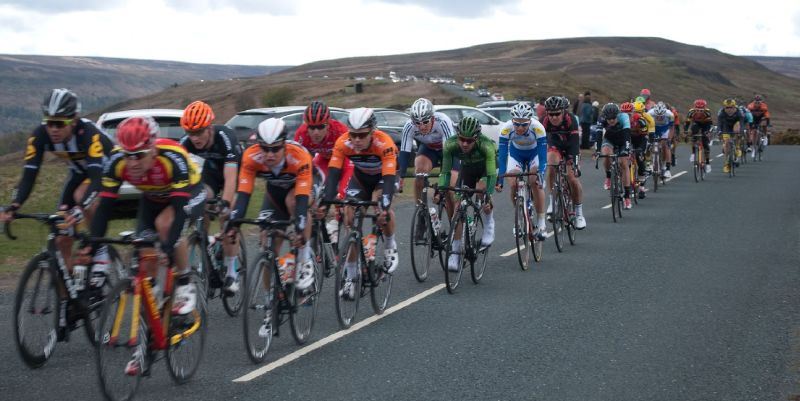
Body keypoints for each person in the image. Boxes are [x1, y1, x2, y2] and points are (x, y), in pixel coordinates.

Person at [90, 116, 205, 321]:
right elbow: (104, 207)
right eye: (128, 155)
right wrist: (92, 243)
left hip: (189, 194)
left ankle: (186, 283)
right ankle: (156, 310)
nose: (132, 162)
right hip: (152, 198)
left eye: (139, 155)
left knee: (165, 224)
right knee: (145, 251)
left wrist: (169, 246)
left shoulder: (172, 157)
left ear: (153, 149)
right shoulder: (117, 161)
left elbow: (179, 211)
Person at [1, 88, 114, 288]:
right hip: (78, 174)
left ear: (74, 119)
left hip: (106, 173)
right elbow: (29, 175)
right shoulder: (39, 135)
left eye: (59, 123)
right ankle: (73, 290)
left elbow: (96, 178)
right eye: (49, 122)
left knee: (81, 196)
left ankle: (101, 250)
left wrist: (80, 210)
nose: (53, 129)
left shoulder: (88, 134)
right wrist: (14, 205)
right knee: (61, 235)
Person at [228, 118, 316, 297]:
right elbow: (244, 194)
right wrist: (234, 223)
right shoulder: (251, 156)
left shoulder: (298, 156)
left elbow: (301, 198)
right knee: (266, 242)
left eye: (275, 148)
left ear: (284, 144)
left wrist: (299, 228)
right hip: (274, 193)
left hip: (300, 190)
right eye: (265, 148)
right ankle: (270, 304)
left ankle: (305, 259)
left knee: (293, 204)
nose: (269, 154)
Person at [322, 108, 399, 299]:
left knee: (380, 204)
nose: (356, 140)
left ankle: (390, 245)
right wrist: (326, 201)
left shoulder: (384, 143)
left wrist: (385, 206)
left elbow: (389, 180)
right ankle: (351, 276)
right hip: (361, 178)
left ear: (372, 131)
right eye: (353, 134)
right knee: (350, 218)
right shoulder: (343, 143)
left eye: (362, 135)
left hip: (384, 178)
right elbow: (332, 175)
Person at [179, 100, 242, 293]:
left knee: (228, 215)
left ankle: (232, 271)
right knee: (201, 202)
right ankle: (203, 238)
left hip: (234, 173)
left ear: (209, 128)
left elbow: (231, 179)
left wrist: (225, 204)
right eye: (190, 133)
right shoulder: (186, 144)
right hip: (210, 175)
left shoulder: (225, 137)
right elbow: (185, 181)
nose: (195, 138)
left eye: (199, 132)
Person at [436, 116, 497, 271]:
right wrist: (442, 189)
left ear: (476, 138)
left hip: (484, 170)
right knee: (457, 207)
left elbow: (491, 174)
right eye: (462, 139)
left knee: (482, 192)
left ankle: (489, 223)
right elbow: (445, 171)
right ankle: (455, 252)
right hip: (467, 170)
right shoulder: (450, 144)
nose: (464, 143)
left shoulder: (486, 145)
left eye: (469, 141)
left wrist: (488, 193)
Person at [293, 101, 353, 250]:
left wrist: (337, 194)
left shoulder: (340, 131)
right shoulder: (301, 135)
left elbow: (352, 158)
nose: (316, 132)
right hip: (323, 161)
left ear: (328, 124)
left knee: (344, 199)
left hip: (345, 162)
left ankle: (351, 240)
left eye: (320, 127)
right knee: (310, 196)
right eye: (312, 127)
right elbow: (299, 166)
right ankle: (316, 233)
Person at [397, 98, 457, 238]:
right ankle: (422, 216)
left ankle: (454, 224)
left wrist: (443, 180)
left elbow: (448, 154)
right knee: (419, 176)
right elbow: (404, 153)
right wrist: (400, 177)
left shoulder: (443, 121)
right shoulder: (409, 127)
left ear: (432, 117)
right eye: (417, 123)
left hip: (448, 150)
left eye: (425, 121)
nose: (421, 126)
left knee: (448, 188)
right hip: (429, 149)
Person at [495, 102, 548, 238]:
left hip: (534, 154)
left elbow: (543, 158)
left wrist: (541, 174)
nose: (519, 127)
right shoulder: (506, 129)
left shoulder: (538, 128)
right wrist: (500, 179)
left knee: (534, 182)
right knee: (512, 183)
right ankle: (519, 215)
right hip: (516, 154)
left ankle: (542, 224)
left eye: (524, 124)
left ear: (530, 122)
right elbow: (502, 157)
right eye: (516, 124)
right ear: (512, 121)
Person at [542, 96, 586, 229]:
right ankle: (553, 201)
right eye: (551, 114)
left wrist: (574, 163)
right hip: (555, 146)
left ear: (563, 112)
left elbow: (574, 144)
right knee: (551, 163)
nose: (554, 117)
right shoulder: (543, 122)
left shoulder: (570, 120)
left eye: (557, 114)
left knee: (572, 179)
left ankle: (579, 214)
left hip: (570, 147)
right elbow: (540, 142)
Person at [596, 103, 633, 209]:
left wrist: (626, 149)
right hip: (610, 139)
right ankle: (608, 176)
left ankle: (627, 197)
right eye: (609, 118)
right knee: (606, 154)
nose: (611, 120)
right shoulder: (601, 118)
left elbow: (627, 135)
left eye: (613, 118)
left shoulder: (624, 117)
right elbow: (598, 136)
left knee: (623, 163)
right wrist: (598, 150)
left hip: (622, 140)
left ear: (618, 114)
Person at [631, 101, 655, 197]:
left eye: (639, 112)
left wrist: (650, 142)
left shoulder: (646, 118)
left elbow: (648, 134)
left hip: (642, 137)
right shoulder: (628, 118)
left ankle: (641, 187)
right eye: (634, 111)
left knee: (640, 157)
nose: (637, 114)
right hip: (631, 138)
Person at [684, 99, 713, 174]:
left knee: (705, 143)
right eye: (697, 109)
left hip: (705, 124)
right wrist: (686, 132)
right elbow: (687, 123)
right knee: (693, 134)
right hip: (696, 123)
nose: (699, 111)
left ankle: (707, 163)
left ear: (704, 108)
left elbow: (710, 124)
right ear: (694, 108)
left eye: (701, 110)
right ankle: (693, 153)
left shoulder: (707, 112)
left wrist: (708, 132)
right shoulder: (691, 112)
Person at [647, 101, 675, 178]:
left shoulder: (670, 114)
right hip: (654, 128)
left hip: (665, 129)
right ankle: (650, 163)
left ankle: (668, 169)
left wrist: (669, 139)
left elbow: (672, 128)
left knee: (666, 145)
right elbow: (646, 127)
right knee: (649, 144)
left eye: (661, 116)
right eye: (657, 116)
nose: (659, 117)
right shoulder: (650, 113)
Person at [717, 98, 743, 172]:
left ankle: (737, 147)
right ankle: (726, 163)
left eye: (731, 107)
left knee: (738, 130)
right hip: (726, 126)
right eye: (727, 107)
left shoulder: (739, 112)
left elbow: (742, 123)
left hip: (735, 124)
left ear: (735, 107)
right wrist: (719, 131)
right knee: (727, 142)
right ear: (724, 108)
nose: (729, 109)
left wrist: (741, 131)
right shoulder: (721, 113)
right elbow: (719, 124)